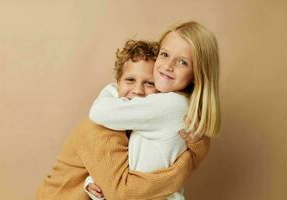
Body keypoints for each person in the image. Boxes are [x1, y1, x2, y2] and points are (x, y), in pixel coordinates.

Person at [36, 27, 211, 200]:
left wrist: (92, 182)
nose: (138, 91)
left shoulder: (146, 118)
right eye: (129, 80)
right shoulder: (100, 128)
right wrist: (182, 169)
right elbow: (121, 193)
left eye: (150, 83)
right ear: (117, 82)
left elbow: (114, 171)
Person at [86, 21, 220, 200]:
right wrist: (92, 182)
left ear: (198, 74)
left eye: (182, 62)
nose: (168, 66)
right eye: (164, 54)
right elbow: (132, 159)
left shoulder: (171, 104)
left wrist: (112, 89)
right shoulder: (175, 105)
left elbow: (99, 112)